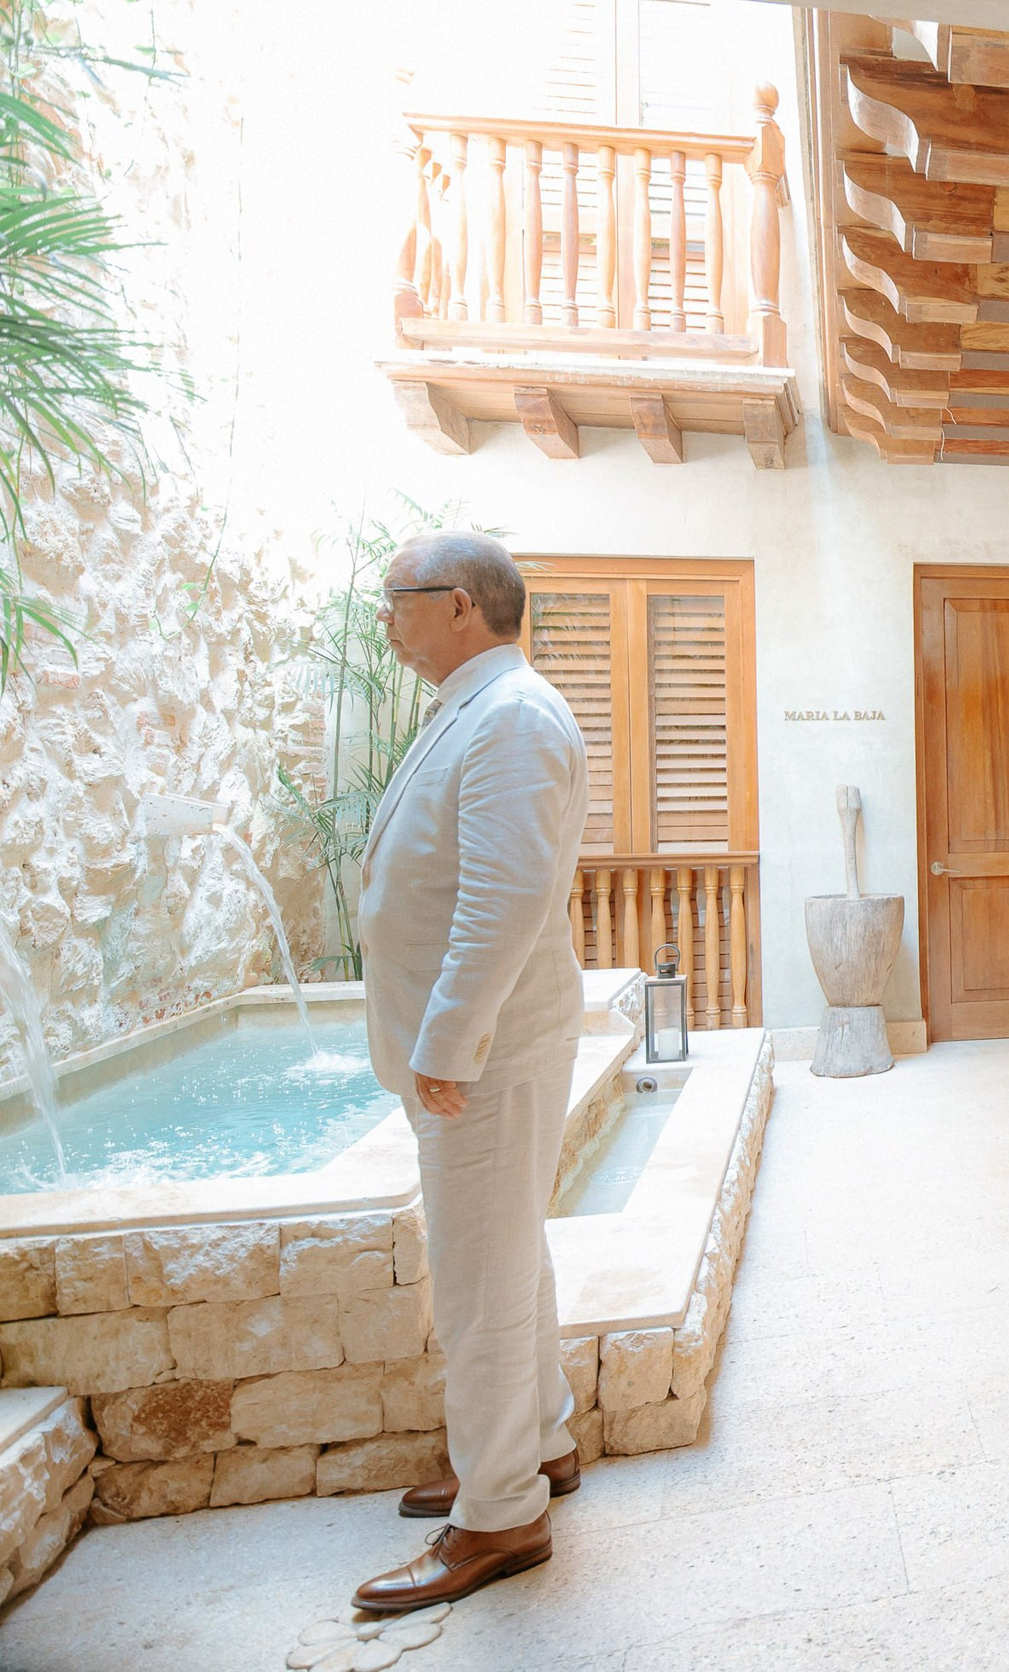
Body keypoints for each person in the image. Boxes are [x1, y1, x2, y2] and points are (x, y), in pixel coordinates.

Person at [351, 531, 588, 1609]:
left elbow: (504, 897)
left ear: (456, 604)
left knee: (479, 1281)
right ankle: (534, 1441)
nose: (386, 620)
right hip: (470, 1046)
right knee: (505, 1254)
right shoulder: (474, 704)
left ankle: (498, 1512)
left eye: (395, 600)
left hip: (484, 1052)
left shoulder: (512, 716)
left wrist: (446, 1043)